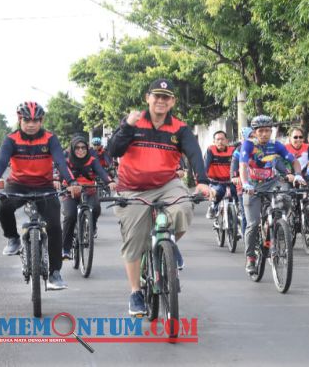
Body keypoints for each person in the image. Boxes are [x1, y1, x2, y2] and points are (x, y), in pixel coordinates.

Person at [108, 78, 210, 316]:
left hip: (167, 184)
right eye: (157, 96)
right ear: (148, 98)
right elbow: (113, 151)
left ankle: (168, 243)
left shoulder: (180, 128)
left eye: (166, 97)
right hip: (132, 188)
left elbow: (194, 153)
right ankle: (135, 292)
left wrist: (203, 182)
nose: (161, 101)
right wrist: (127, 127)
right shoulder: (133, 122)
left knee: (184, 207)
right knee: (134, 240)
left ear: (172, 101)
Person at [0, 102, 80, 290]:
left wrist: (71, 182)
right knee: (3, 207)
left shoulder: (50, 139)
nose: (31, 124)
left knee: (54, 226)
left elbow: (61, 163)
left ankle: (55, 273)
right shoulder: (10, 139)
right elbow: (1, 163)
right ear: (19, 119)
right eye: (27, 120)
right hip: (18, 185)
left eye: (35, 120)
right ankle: (13, 239)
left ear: (41, 120)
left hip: (44, 185)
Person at [239, 115, 305, 274]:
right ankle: (250, 259)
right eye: (261, 131)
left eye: (268, 130)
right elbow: (242, 165)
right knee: (253, 224)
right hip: (252, 187)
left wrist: (297, 175)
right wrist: (245, 183)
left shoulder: (276, 145)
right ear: (254, 132)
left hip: (272, 183)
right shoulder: (248, 145)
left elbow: (293, 160)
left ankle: (277, 228)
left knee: (286, 198)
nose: (264, 134)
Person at [61, 135, 116, 259]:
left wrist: (110, 181)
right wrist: (57, 181)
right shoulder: (66, 161)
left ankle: (92, 226)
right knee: (70, 216)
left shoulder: (92, 160)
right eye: (77, 148)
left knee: (96, 208)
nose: (80, 150)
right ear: (72, 149)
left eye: (83, 148)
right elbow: (60, 174)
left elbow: (101, 171)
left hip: (89, 190)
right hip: (70, 193)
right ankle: (65, 249)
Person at [204, 130, 237, 220]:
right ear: (214, 142)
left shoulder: (233, 150)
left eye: (222, 139)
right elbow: (205, 166)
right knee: (219, 192)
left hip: (231, 181)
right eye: (217, 139)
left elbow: (238, 165)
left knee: (239, 195)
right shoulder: (211, 150)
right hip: (215, 182)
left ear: (227, 141)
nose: (220, 142)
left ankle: (237, 217)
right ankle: (213, 207)